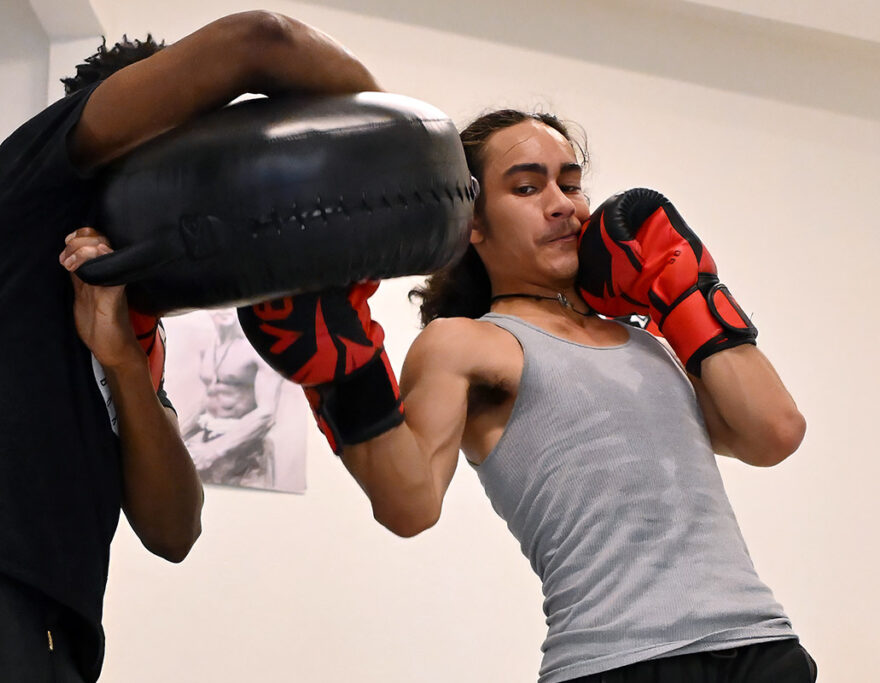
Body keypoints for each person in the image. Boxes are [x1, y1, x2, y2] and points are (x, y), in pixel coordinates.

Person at [0, 12, 379, 682]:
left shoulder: (123, 309)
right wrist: (392, 136)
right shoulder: (27, 190)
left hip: (55, 634)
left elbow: (174, 529)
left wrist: (123, 362)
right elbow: (261, 41)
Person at [238, 109, 815, 682]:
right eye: (527, 187)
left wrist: (685, 293)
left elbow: (774, 433)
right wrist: (346, 377)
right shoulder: (466, 343)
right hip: (616, 661)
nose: (563, 203)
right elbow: (408, 505)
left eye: (570, 183)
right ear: (473, 222)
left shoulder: (651, 342)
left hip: (760, 645)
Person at [182, 309, 283, 488]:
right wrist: (177, 438)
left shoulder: (257, 350)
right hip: (209, 444)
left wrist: (213, 450)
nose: (226, 309)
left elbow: (267, 414)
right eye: (220, 304)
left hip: (247, 451)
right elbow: (208, 399)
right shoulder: (208, 350)